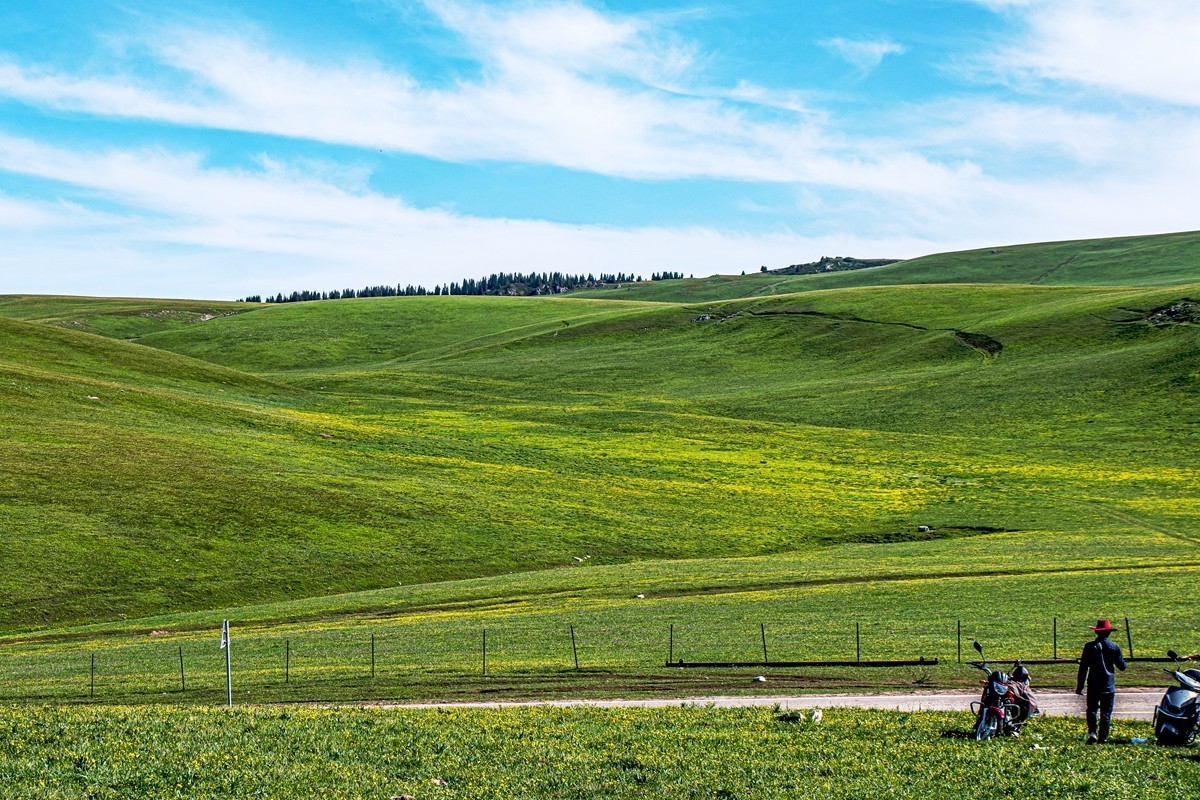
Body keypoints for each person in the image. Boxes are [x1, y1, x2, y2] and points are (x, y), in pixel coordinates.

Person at [1075, 619, 1126, 744]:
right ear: (1108, 633)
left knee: (1092, 709)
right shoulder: (1114, 647)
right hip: (1108, 684)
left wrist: (1080, 686)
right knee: (1106, 712)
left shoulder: (1089, 647)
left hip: (1093, 683)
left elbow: (1083, 668)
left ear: (1096, 632)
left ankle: (1092, 732)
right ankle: (1103, 737)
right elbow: (1122, 666)